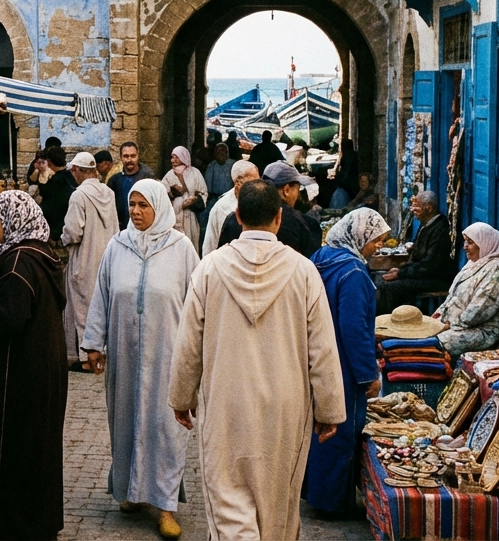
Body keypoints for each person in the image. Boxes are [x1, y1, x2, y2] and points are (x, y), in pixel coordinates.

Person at [168, 179, 346, 540]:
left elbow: (188, 343)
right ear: (279, 218)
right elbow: (323, 349)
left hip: (225, 405)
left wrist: (181, 398)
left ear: (237, 216)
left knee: (228, 499)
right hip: (286, 409)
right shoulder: (303, 272)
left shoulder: (209, 269)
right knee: (278, 508)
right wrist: (329, 410)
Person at [82, 180, 198, 539]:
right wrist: (93, 343)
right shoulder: (118, 246)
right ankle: (131, 490)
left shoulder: (181, 249)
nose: (135, 211)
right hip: (125, 355)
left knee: (166, 429)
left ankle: (165, 506)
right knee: (126, 422)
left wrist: (197, 359)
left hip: (168, 358)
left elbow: (197, 307)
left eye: (143, 205)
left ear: (159, 207)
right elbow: (101, 295)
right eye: (131, 204)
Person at [0, 191, 68, 541]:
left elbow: (8, 319)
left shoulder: (20, 259)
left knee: (14, 450)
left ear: (13, 220)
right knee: (38, 450)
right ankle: (37, 522)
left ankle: (16, 525)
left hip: (16, 378)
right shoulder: (39, 255)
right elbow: (19, 304)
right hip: (40, 371)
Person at [304, 209, 390, 517]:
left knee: (318, 428)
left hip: (316, 355)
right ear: (360, 236)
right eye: (376, 240)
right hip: (342, 364)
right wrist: (368, 375)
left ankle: (314, 490)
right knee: (341, 430)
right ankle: (331, 502)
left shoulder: (322, 256)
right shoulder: (353, 272)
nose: (378, 247)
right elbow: (354, 329)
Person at [61, 151, 120, 370]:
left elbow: (74, 231)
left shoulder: (79, 195)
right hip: (107, 256)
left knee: (84, 308)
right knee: (103, 305)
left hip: (85, 258)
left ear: (77, 170)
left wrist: (63, 237)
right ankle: (103, 352)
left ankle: (87, 359)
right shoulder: (109, 192)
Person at [432, 222, 499, 356]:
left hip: (480, 330)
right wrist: (438, 316)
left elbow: (479, 310)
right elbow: (452, 297)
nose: (465, 247)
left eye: (470, 242)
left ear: (485, 243)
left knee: (434, 342)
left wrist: (449, 325)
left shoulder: (496, 269)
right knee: (419, 331)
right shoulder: (473, 263)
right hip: (453, 323)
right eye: (465, 242)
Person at [216, 162, 322, 257]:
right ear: (286, 190)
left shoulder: (233, 218)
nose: (298, 194)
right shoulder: (303, 223)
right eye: (297, 189)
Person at [378, 191, 456, 313]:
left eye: (416, 206)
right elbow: (416, 256)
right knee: (383, 281)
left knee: (391, 287)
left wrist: (400, 274)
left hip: (437, 278)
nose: (412, 209)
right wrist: (400, 270)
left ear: (428, 208)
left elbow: (430, 265)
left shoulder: (440, 229)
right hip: (424, 274)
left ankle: (392, 324)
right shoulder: (425, 224)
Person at [202, 160, 259, 256]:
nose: (258, 183)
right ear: (239, 180)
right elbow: (210, 244)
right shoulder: (222, 207)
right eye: (254, 180)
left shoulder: (260, 199)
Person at [161, 146, 207, 249]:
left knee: (190, 242)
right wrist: (172, 193)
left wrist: (193, 200)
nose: (173, 160)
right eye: (172, 157)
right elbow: (162, 195)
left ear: (183, 157)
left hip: (190, 216)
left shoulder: (195, 173)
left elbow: (203, 192)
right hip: (174, 214)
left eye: (176, 157)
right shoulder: (169, 175)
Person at [107, 141, 156, 229]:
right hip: (120, 227)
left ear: (138, 156)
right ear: (121, 157)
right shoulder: (114, 179)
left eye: (133, 156)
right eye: (126, 156)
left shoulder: (147, 176)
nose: (129, 160)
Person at [37, 146, 76, 240]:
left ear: (49, 162)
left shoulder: (56, 181)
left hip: (57, 229)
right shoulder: (70, 176)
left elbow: (49, 207)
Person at [202, 143, 236, 215]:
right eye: (218, 152)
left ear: (227, 153)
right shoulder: (212, 165)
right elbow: (208, 186)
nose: (221, 153)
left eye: (223, 151)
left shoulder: (233, 164)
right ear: (215, 154)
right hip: (215, 198)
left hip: (230, 198)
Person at [328, 139, 360, 209]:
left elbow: (346, 175)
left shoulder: (350, 156)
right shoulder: (347, 156)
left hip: (349, 188)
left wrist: (337, 182)